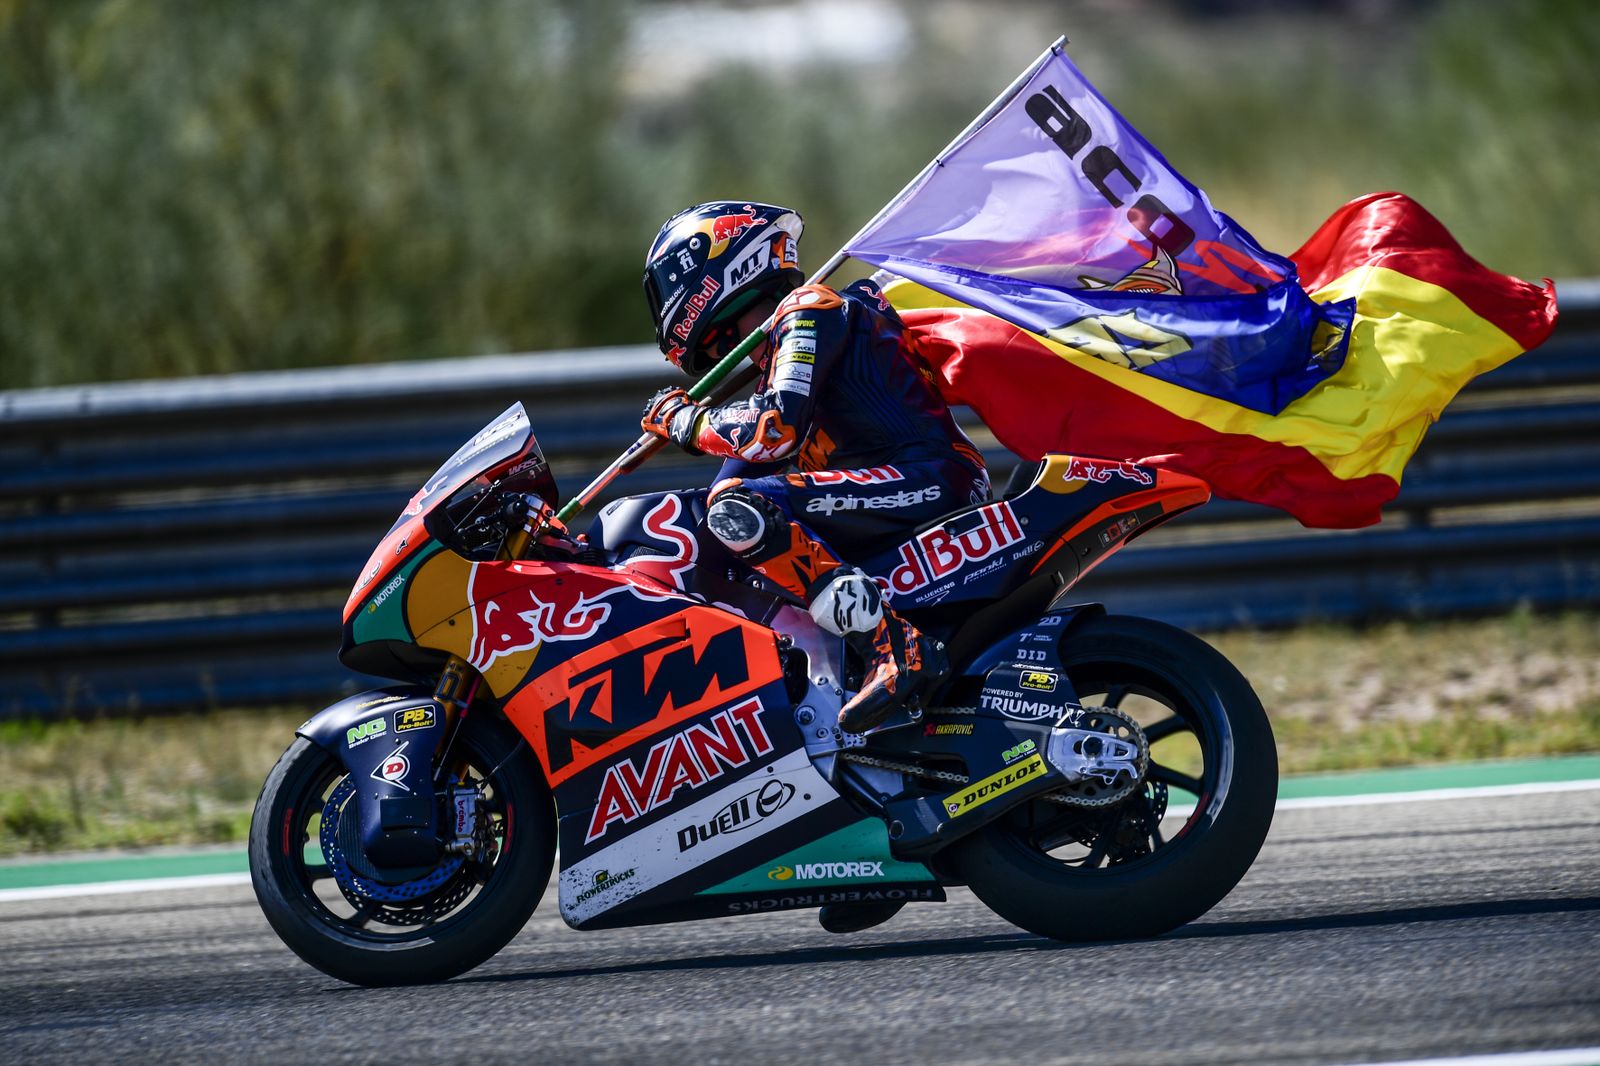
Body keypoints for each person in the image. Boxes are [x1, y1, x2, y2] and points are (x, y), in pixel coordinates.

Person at [639, 201, 990, 735]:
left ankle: (890, 644)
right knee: (728, 519)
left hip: (931, 479)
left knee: (737, 511)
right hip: (892, 490)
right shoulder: (779, 353)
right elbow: (730, 484)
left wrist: (687, 421)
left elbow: (771, 428)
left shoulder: (808, 309)